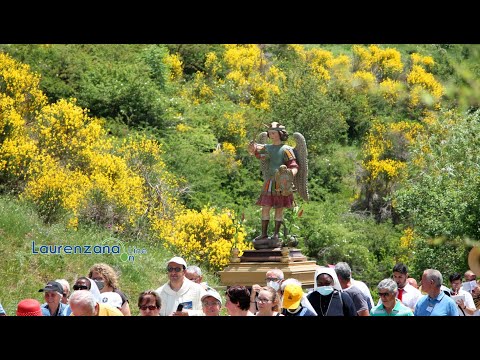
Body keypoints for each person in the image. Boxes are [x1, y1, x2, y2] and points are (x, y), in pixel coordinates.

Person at [248, 121, 307, 249]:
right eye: (270, 133)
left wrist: (289, 175)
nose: (271, 135)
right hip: (269, 181)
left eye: (274, 133)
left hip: (281, 182)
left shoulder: (287, 149)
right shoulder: (267, 148)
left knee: (279, 208)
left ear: (280, 134)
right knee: (266, 207)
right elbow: (257, 153)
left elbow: (294, 165)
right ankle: (263, 234)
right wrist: (253, 149)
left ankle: (275, 235)